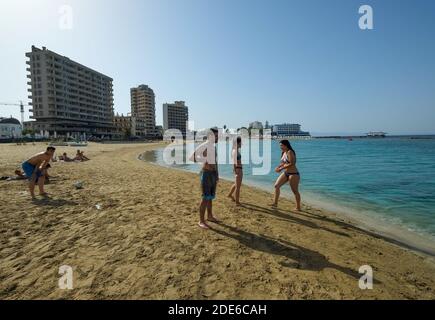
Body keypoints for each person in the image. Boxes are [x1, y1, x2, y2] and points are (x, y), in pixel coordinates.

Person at [190, 128, 220, 229]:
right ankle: (201, 221)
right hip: (206, 175)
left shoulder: (213, 146)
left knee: (210, 198)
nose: (217, 137)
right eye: (216, 136)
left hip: (213, 174)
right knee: (205, 198)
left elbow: (215, 162)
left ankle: (210, 216)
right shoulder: (205, 145)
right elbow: (192, 157)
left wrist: (217, 174)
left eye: (217, 135)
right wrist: (203, 162)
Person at [271, 140, 301, 211]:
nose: (280, 147)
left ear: (286, 145)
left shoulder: (290, 152)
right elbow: (283, 163)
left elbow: (292, 163)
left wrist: (281, 168)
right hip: (286, 173)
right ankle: (275, 203)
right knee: (276, 186)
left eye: (281, 145)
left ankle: (298, 207)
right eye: (280, 146)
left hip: (294, 174)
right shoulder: (283, 152)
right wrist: (278, 167)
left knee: (295, 191)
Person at [227, 136, 243, 205]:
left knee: (236, 184)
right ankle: (237, 202)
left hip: (238, 169)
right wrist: (236, 169)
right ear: (237, 143)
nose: (241, 144)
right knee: (238, 187)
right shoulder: (235, 151)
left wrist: (234, 168)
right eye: (241, 143)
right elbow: (234, 161)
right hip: (238, 169)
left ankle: (230, 195)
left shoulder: (235, 150)